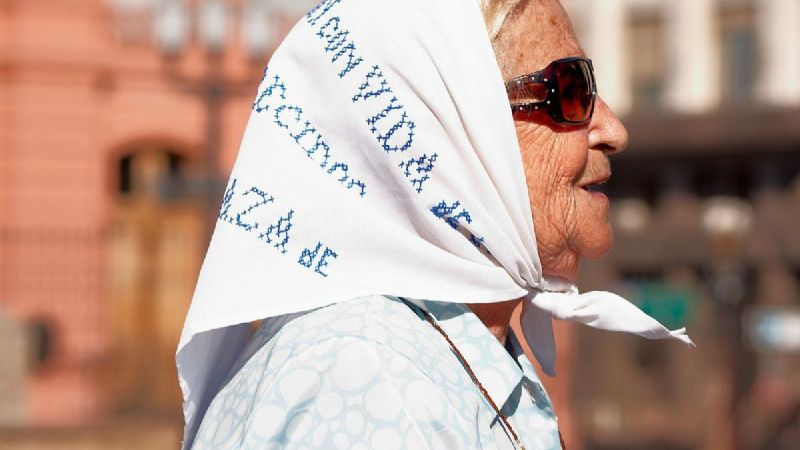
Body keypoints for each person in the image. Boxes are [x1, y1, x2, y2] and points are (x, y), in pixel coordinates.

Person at [176, 0, 694, 449]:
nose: (613, 130)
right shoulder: (365, 378)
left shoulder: (420, 354)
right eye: (571, 91)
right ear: (451, 127)